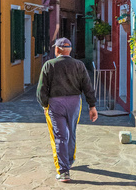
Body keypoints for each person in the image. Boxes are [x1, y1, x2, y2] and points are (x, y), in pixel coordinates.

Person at [37, 38, 98, 182]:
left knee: (59, 136)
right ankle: (69, 160)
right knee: (71, 131)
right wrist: (92, 106)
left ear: (57, 50)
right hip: (74, 102)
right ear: (69, 50)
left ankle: (64, 171)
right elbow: (87, 86)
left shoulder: (49, 65)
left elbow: (41, 90)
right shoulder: (79, 65)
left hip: (55, 103)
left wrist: (45, 105)